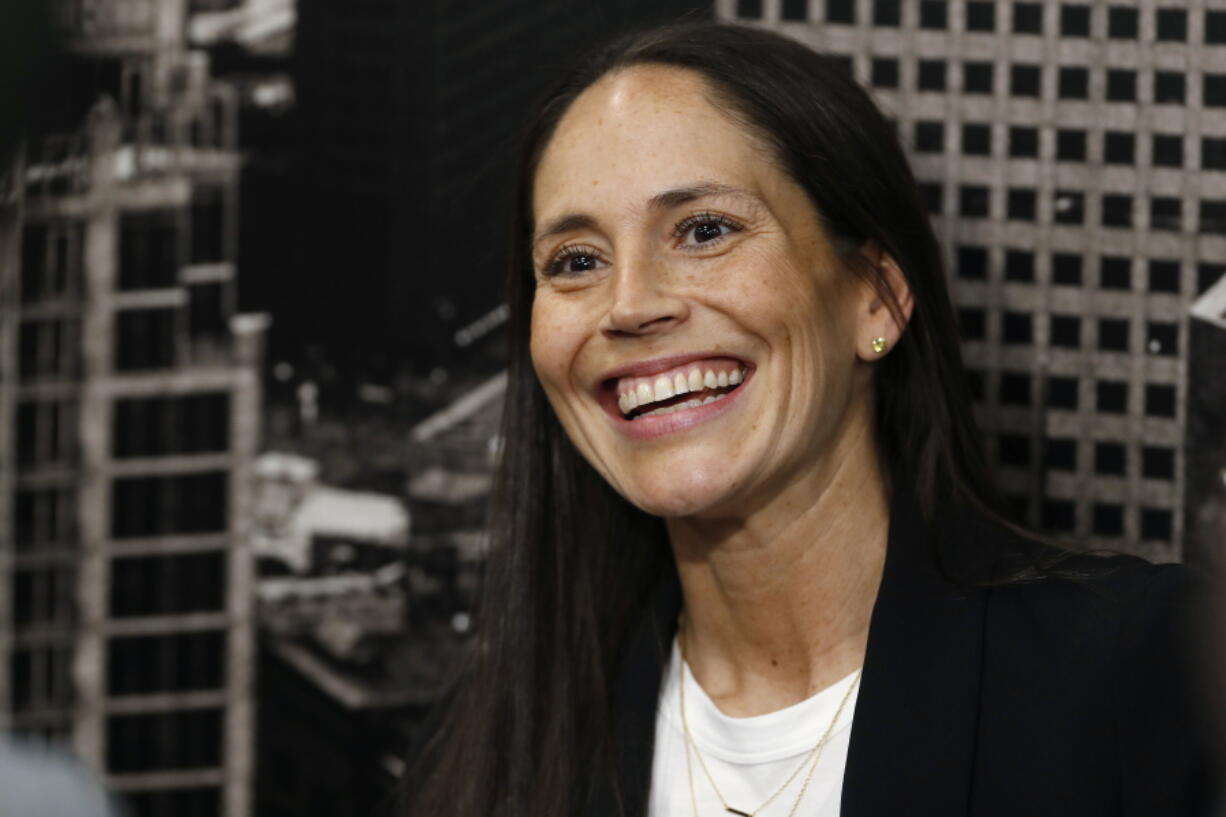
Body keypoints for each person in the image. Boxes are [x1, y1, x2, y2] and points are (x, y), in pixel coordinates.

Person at [399, 21, 1217, 817]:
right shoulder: (487, 746)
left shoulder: (1154, 674)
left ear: (877, 296)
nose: (631, 304)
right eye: (576, 261)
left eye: (704, 230)